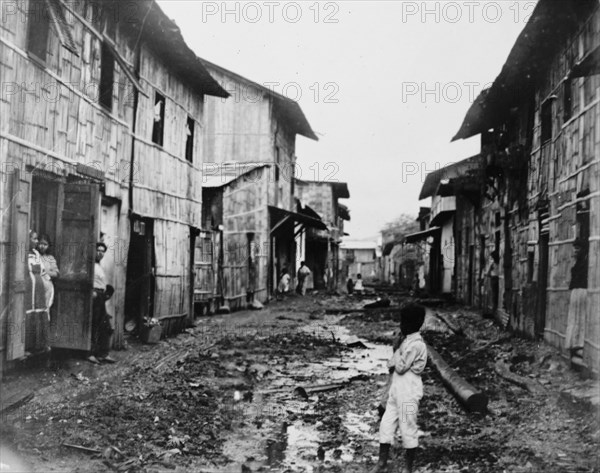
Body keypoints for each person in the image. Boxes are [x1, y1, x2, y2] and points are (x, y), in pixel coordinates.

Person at [370, 303, 427, 473]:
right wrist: (397, 352)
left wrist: (397, 351)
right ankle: (382, 462)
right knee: (386, 425)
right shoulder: (406, 341)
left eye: (405, 322)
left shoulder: (417, 344)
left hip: (409, 391)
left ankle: (408, 468)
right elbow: (391, 365)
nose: (401, 326)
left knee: (408, 427)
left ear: (414, 324)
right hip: (397, 389)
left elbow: (400, 366)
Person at [89, 242, 115, 364]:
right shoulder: (90, 265)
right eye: (98, 250)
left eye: (102, 251)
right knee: (93, 325)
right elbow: (87, 280)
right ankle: (90, 353)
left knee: (105, 326)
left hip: (100, 296)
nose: (100, 253)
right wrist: (91, 292)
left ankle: (102, 354)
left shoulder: (99, 266)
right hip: (93, 296)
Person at [25, 230, 50, 354]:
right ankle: (27, 346)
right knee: (29, 312)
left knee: (39, 312)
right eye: (34, 239)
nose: (36, 242)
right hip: (28, 287)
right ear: (27, 239)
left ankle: (39, 345)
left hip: (39, 287)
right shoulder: (23, 253)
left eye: (36, 239)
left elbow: (43, 271)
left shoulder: (36, 253)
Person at [565, 239, 588, 361]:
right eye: (574, 248)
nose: (575, 251)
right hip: (575, 292)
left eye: (577, 248)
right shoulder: (577, 262)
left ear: (583, 250)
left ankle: (579, 344)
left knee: (580, 317)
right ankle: (573, 343)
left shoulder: (586, 262)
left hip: (582, 292)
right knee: (574, 317)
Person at [38, 234, 59, 311]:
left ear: (49, 246)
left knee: (46, 308)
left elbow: (56, 273)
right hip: (37, 286)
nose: (42, 246)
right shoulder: (35, 256)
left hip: (47, 287)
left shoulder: (50, 258)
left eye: (45, 244)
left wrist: (45, 272)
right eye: (41, 244)